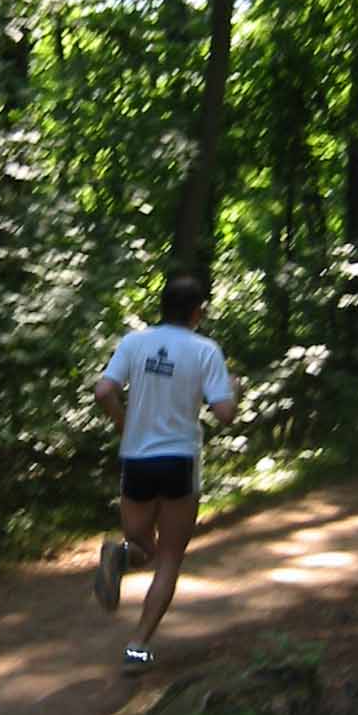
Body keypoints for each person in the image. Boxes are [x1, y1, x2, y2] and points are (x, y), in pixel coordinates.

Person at [92, 272, 238, 676]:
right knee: (169, 558)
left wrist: (124, 425)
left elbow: (103, 391)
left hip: (137, 458)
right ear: (197, 312)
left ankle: (122, 554)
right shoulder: (205, 350)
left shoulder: (134, 342)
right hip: (179, 459)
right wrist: (234, 390)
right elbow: (225, 414)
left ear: (163, 307)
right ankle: (137, 647)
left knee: (142, 540)